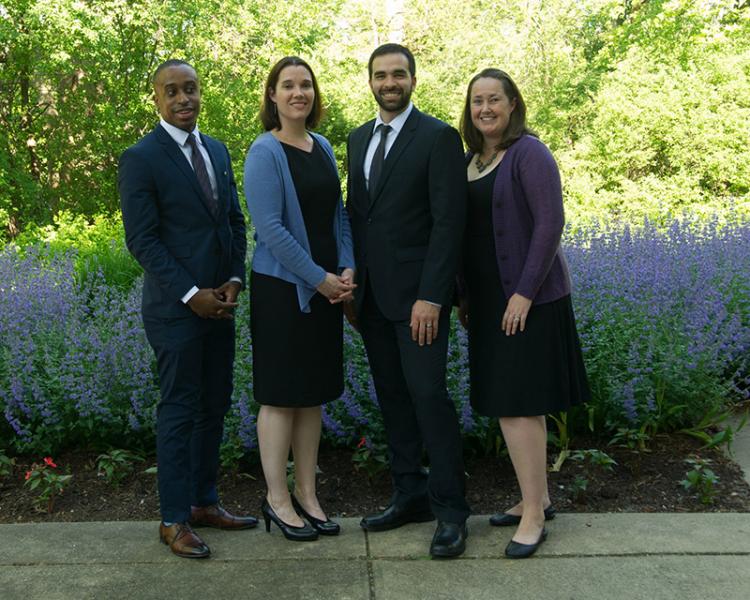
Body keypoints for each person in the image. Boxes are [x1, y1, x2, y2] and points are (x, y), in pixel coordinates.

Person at [119, 59, 257, 559]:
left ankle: (204, 503)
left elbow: (234, 224)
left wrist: (234, 281)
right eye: (172, 91)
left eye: (191, 89)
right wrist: (190, 294)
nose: (183, 99)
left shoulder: (217, 150)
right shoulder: (141, 157)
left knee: (214, 407)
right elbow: (143, 241)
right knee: (179, 412)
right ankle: (173, 519)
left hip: (220, 305)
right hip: (176, 312)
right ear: (156, 98)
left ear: (202, 93)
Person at [457, 68, 590, 559]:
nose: (485, 109)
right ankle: (538, 496)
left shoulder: (529, 153)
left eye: (495, 99)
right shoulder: (471, 159)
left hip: (528, 300)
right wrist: (467, 297)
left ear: (513, 104)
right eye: (477, 101)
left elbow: (550, 222)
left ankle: (534, 515)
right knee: (510, 404)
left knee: (517, 405)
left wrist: (524, 294)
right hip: (490, 301)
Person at [345, 43, 470, 558]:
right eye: (380, 75)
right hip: (372, 298)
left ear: (413, 80)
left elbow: (449, 224)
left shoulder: (439, 137)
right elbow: (358, 217)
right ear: (370, 81)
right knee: (392, 399)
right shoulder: (356, 139)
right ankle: (409, 494)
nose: (389, 82)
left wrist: (432, 297)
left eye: (398, 74)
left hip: (420, 303)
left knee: (428, 399)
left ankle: (451, 512)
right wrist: (351, 287)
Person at [243, 56, 355, 542]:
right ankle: (277, 498)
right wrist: (319, 279)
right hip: (283, 292)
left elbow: (339, 215)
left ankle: (308, 495)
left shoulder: (324, 146)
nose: (298, 93)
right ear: (272, 96)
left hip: (327, 288)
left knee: (312, 396)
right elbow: (270, 229)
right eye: (287, 85)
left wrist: (346, 268)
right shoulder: (264, 153)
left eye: (305, 85)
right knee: (280, 397)